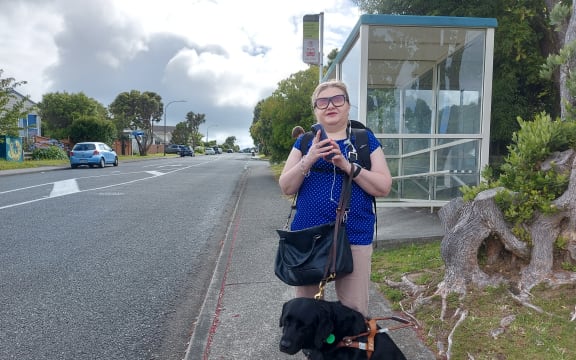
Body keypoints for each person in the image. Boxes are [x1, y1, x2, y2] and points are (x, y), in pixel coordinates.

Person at [278, 80, 392, 317]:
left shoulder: (364, 140)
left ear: (348, 106)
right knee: (306, 312)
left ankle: (348, 352)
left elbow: (383, 187)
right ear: (316, 109)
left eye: (337, 99)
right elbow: (286, 187)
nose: (330, 105)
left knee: (353, 314)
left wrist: (346, 165)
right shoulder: (305, 141)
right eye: (322, 101)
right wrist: (308, 159)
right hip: (308, 238)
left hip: (354, 235)